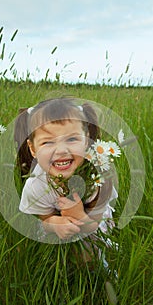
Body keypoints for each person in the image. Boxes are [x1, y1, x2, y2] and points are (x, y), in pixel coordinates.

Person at [15, 97, 118, 250]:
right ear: (33, 149)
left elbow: (93, 224)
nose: (61, 150)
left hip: (93, 220)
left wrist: (80, 216)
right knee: (53, 246)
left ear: (86, 141)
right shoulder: (36, 185)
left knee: (89, 252)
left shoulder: (96, 179)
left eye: (71, 139)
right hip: (58, 220)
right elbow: (45, 218)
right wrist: (54, 224)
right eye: (48, 142)